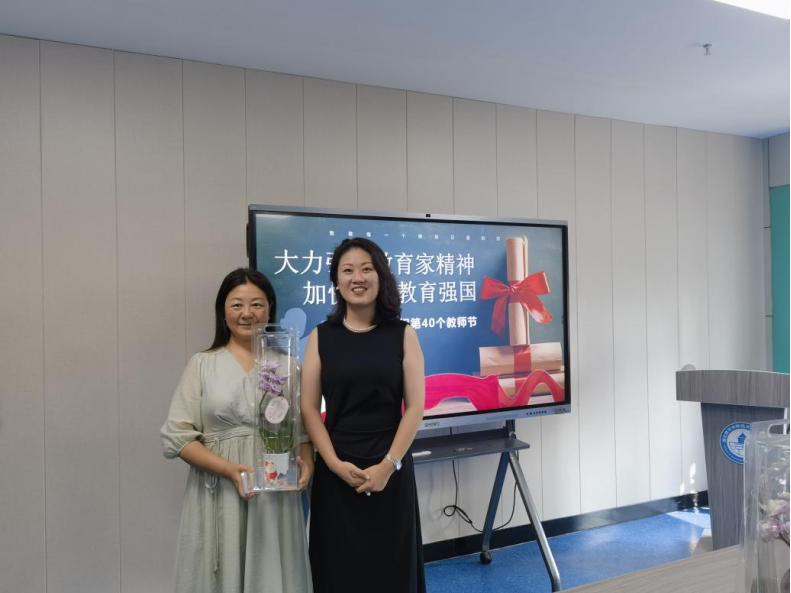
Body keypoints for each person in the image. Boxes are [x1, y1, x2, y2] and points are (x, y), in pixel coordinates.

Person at [161, 268, 313, 593]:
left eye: (256, 304)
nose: (247, 313)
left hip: (274, 492)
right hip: (220, 491)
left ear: (270, 310)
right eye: (236, 305)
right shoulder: (202, 364)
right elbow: (177, 437)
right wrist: (229, 470)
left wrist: (307, 464)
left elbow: (302, 433)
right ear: (223, 312)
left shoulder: (288, 366)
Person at [301, 238, 427, 593]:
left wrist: (388, 466)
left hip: (391, 467)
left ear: (381, 276)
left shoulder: (403, 334)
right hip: (336, 471)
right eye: (348, 270)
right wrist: (333, 464)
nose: (358, 277)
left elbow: (415, 407)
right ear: (336, 281)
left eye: (367, 269)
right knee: (338, 569)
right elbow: (308, 408)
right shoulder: (321, 336)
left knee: (392, 568)